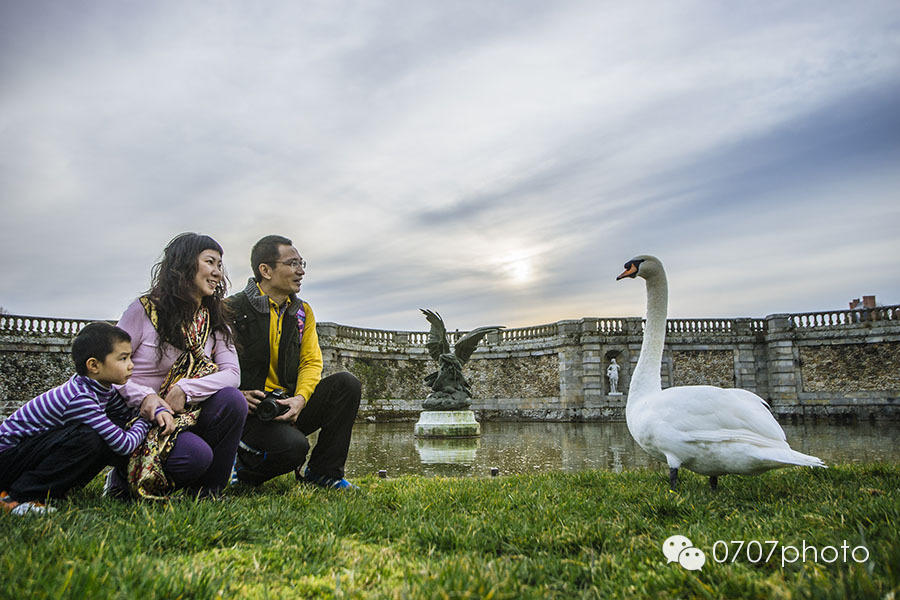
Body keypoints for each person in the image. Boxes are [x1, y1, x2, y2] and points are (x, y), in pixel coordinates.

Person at [113, 232, 247, 498]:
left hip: (186, 413)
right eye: (210, 262)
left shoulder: (216, 320)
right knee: (195, 457)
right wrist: (147, 398)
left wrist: (187, 389)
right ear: (184, 264)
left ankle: (209, 492)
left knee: (233, 400)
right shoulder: (143, 311)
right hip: (138, 414)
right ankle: (124, 476)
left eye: (220, 265)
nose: (217, 272)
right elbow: (111, 369)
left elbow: (232, 375)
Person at [227, 235, 361, 490]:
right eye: (292, 264)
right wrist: (234, 395)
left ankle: (324, 472)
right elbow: (210, 363)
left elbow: (311, 362)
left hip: (285, 406)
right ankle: (239, 467)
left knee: (346, 384)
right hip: (249, 412)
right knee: (294, 448)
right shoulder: (231, 309)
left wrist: (300, 398)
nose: (300, 271)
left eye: (302, 264)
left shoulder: (302, 312)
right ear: (265, 270)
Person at [0, 323, 152, 514]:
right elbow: (124, 444)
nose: (131, 365)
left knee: (101, 435)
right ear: (94, 365)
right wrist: (145, 420)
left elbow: (124, 417)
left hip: (24, 456)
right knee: (88, 439)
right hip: (6, 460)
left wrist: (146, 407)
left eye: (130, 357)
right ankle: (22, 497)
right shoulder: (80, 398)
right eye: (123, 358)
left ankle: (56, 490)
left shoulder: (103, 389)